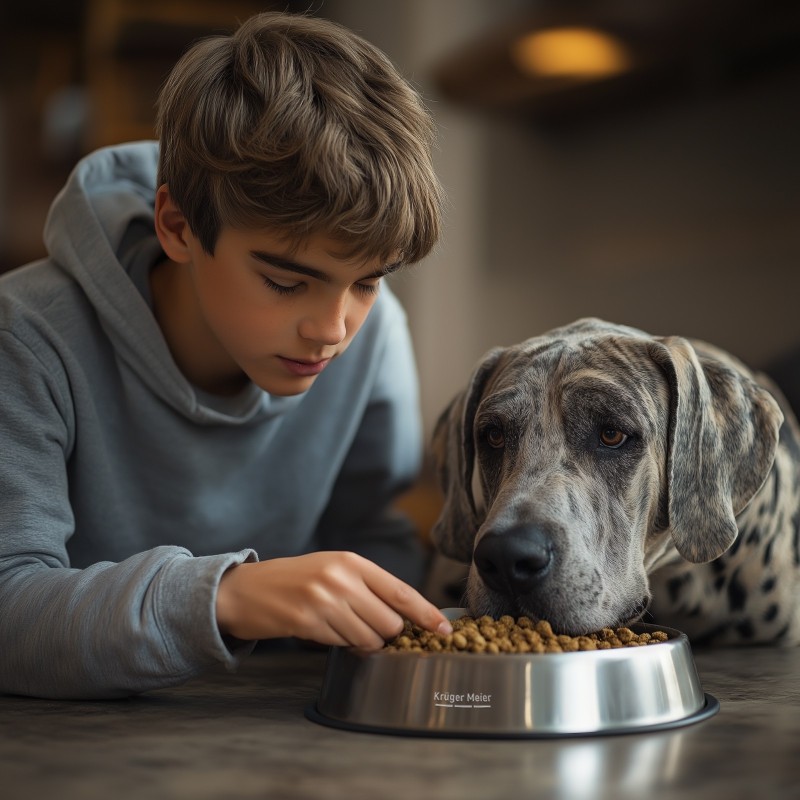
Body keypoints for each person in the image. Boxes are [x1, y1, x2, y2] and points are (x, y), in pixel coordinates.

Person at [0, 11, 450, 699]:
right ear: (177, 226)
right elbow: (9, 607)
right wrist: (221, 597)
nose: (333, 329)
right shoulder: (25, 336)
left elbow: (373, 540)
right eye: (285, 281)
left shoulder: (376, 331)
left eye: (367, 280)